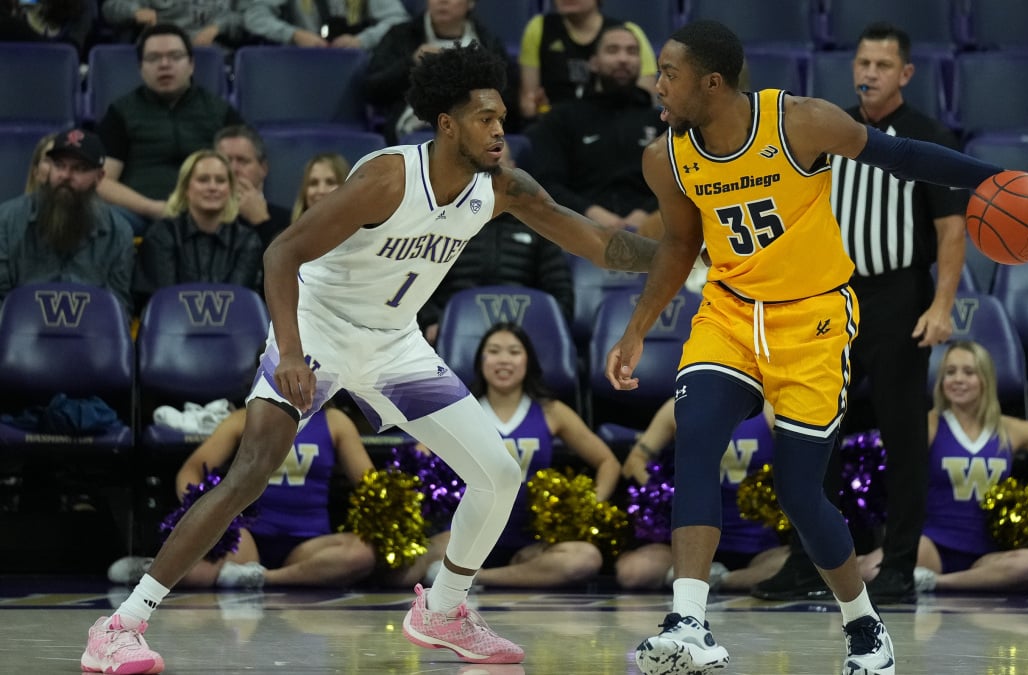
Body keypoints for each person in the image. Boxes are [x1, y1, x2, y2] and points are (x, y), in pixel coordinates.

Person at [81, 41, 659, 675]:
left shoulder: (501, 188)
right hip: (318, 329)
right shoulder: (389, 177)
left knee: (498, 472)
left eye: (501, 118)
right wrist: (294, 355)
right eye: (484, 119)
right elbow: (281, 255)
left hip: (393, 344)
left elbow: (603, 246)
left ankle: (443, 610)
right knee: (249, 473)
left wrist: (683, 256)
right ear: (446, 125)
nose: (500, 130)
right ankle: (120, 625)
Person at [603, 19, 1028, 675]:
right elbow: (680, 244)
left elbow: (901, 157)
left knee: (800, 492)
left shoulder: (799, 124)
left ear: (711, 81)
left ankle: (864, 623)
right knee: (697, 434)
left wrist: (996, 179)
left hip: (812, 319)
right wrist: (639, 324)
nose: (658, 82)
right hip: (729, 314)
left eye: (670, 72)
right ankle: (689, 620)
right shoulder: (666, 156)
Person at [753, 22, 969, 605]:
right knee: (811, 432)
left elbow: (952, 229)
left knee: (902, 437)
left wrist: (942, 305)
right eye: (862, 62)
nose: (869, 72)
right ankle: (807, 562)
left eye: (881, 64)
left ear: (905, 74)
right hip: (830, 295)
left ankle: (898, 565)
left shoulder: (927, 135)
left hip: (900, 295)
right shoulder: (828, 130)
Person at [855, 341, 1028, 593]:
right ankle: (960, 580)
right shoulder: (930, 424)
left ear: (985, 379)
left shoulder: (1010, 429)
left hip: (988, 552)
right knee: (869, 570)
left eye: (968, 372)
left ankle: (934, 582)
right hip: (932, 545)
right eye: (950, 372)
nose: (958, 379)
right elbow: (886, 457)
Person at [420, 322, 620, 588]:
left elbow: (608, 462)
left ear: (528, 361)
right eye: (494, 351)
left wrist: (585, 508)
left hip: (530, 546)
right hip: (464, 539)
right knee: (419, 555)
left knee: (584, 558)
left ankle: (480, 579)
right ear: (481, 360)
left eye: (514, 352)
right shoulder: (459, 410)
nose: (504, 359)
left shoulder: (551, 411)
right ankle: (466, 577)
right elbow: (418, 460)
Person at [106, 405, 382, 589]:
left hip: (309, 545)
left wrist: (394, 517)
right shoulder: (244, 417)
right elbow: (190, 471)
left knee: (361, 554)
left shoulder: (335, 421)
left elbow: (372, 487)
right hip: (247, 537)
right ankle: (150, 568)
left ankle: (265, 578)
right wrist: (208, 512)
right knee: (200, 573)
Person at [616, 398, 788, 593]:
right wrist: (663, 493)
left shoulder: (771, 411)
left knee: (793, 567)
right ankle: (693, 576)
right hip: (686, 541)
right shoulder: (678, 406)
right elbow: (634, 463)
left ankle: (714, 579)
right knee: (633, 572)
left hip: (756, 544)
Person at [418, 143, 573, 345]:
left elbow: (561, 296)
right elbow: (415, 283)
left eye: (497, 163)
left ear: (513, 168)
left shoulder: (539, 225)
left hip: (523, 338)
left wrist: (534, 331)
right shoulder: (442, 221)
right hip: (454, 333)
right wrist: (432, 321)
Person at [96, 23, 243, 223]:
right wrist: (152, 208)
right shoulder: (121, 112)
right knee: (101, 220)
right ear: (140, 68)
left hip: (209, 213)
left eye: (175, 56)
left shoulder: (220, 111)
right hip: (140, 214)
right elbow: (102, 181)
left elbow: (243, 172)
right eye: (154, 58)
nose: (164, 64)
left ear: (191, 64)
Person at [527, 23, 666, 232]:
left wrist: (647, 212)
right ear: (593, 63)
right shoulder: (562, 118)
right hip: (577, 231)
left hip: (652, 230)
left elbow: (678, 182)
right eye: (612, 50)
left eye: (632, 52)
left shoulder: (661, 121)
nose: (623, 59)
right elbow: (546, 182)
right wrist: (589, 211)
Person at [0, 128, 135, 314]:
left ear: (99, 177)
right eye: (59, 165)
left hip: (90, 336)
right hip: (21, 334)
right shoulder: (7, 220)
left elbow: (117, 310)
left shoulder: (118, 232)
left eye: (79, 168)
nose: (65, 175)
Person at [364, 0, 520, 141]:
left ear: (470, 3)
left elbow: (509, 98)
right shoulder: (401, 36)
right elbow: (373, 89)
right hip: (414, 130)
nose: (442, 1)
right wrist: (410, 64)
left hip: (475, 129)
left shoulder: (488, 44)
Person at [132, 149, 263, 307]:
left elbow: (236, 302)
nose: (212, 187)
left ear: (230, 189)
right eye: (203, 180)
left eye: (220, 180)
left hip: (232, 328)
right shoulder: (162, 235)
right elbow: (166, 301)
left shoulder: (247, 241)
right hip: (174, 327)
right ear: (186, 188)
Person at [517, 0, 656, 121]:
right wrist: (536, 108)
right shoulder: (539, 27)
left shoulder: (627, 33)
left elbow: (646, 101)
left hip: (611, 124)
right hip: (556, 125)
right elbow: (528, 103)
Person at [214, 125, 294, 248]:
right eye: (226, 161)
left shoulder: (288, 221)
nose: (233, 169)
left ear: (263, 168)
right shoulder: (198, 218)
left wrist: (262, 223)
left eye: (243, 161)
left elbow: (285, 264)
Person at [243, 0, 409, 50]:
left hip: (354, 65)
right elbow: (255, 16)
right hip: (299, 61)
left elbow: (397, 20)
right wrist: (293, 35)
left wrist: (361, 40)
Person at [101, 0, 242, 47]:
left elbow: (248, 18)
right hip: (162, 52)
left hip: (211, 56)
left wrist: (218, 27)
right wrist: (135, 12)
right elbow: (110, 7)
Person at [290, 153, 350, 225]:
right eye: (313, 183)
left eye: (330, 182)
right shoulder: (284, 236)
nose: (321, 190)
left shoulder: (364, 236)